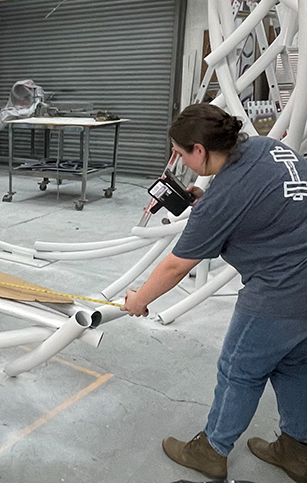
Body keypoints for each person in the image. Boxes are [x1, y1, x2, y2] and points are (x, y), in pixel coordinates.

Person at [122, 102, 307, 483]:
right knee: (294, 365)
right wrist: (203, 200)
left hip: (280, 292)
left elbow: (176, 265)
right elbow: (261, 197)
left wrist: (140, 300)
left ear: (200, 150)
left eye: (179, 152)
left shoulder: (224, 198)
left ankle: (211, 451)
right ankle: (297, 450)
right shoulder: (265, 146)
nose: (178, 160)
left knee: (239, 369)